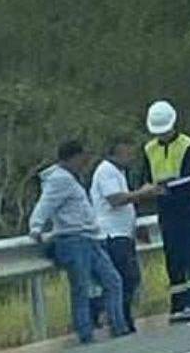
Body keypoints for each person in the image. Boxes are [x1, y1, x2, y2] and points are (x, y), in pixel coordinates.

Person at [28, 140, 131, 344]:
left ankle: (118, 326)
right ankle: (86, 334)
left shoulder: (71, 178)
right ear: (72, 157)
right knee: (81, 288)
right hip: (73, 239)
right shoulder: (59, 180)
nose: (85, 160)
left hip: (89, 238)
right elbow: (45, 204)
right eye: (82, 156)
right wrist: (36, 226)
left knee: (112, 281)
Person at [141, 100, 190, 322]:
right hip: (166, 210)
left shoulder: (187, 144)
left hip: (189, 207)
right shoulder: (149, 149)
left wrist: (164, 185)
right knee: (173, 256)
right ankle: (178, 304)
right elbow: (146, 178)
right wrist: (151, 189)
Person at [89, 138, 164, 333]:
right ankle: (113, 318)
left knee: (127, 279)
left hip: (123, 233)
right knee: (126, 278)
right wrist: (142, 193)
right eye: (127, 154)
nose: (130, 158)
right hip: (112, 235)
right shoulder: (106, 171)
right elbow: (116, 199)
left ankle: (121, 319)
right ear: (115, 154)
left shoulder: (118, 173)